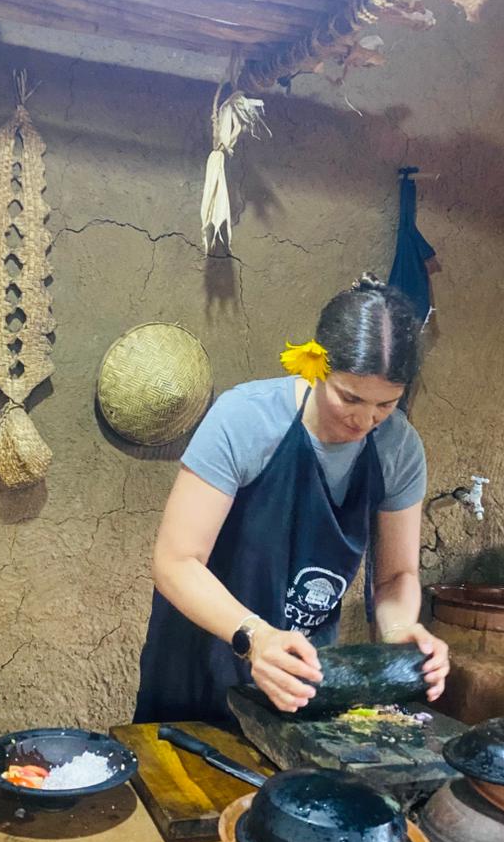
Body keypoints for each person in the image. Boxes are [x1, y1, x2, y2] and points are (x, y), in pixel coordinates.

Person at [134, 273, 450, 723]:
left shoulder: (398, 448)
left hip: (301, 680)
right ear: (316, 364)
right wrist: (256, 637)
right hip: (201, 669)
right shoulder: (244, 419)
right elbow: (175, 561)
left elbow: (397, 574)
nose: (365, 419)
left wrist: (400, 630)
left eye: (386, 404)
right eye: (351, 397)